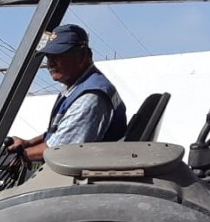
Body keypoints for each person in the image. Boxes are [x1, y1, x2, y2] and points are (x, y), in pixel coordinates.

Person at [7, 24, 127, 163]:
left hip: (87, 178)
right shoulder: (76, 87)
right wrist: (28, 143)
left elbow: (61, 150)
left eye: (58, 55)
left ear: (83, 55)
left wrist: (22, 156)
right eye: (48, 56)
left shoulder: (90, 97)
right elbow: (61, 133)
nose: (50, 63)